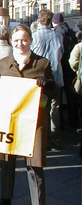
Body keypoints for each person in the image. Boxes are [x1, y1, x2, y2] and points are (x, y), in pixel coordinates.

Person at [0, 24, 58, 205]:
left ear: (30, 40)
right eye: (16, 40)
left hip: (34, 120)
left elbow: (54, 94)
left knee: (34, 165)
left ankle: (38, 202)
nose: (20, 44)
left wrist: (49, 84)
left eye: (24, 40)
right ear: (10, 42)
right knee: (7, 162)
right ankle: (5, 198)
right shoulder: (3, 63)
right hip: (10, 120)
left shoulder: (42, 63)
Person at [31, 9, 63, 151]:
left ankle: (41, 137)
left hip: (40, 76)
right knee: (54, 108)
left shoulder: (35, 36)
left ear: (39, 20)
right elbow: (61, 53)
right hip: (56, 75)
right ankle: (55, 139)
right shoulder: (57, 35)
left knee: (40, 108)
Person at [52, 13, 79, 128]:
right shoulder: (71, 33)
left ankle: (61, 122)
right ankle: (74, 121)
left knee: (58, 96)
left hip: (60, 67)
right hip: (70, 69)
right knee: (71, 96)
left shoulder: (56, 34)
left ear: (54, 22)